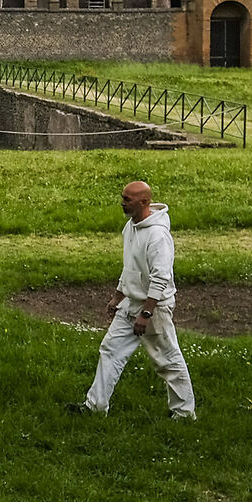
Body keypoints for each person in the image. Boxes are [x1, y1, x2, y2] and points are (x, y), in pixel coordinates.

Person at [68, 179, 196, 420]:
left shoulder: (158, 236)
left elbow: (161, 279)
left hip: (154, 309)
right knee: (110, 349)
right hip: (131, 304)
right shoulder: (131, 227)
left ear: (144, 202)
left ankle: (184, 412)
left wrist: (146, 314)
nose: (122, 203)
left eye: (128, 199)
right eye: (123, 197)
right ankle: (95, 406)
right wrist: (117, 296)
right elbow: (131, 268)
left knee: (167, 360)